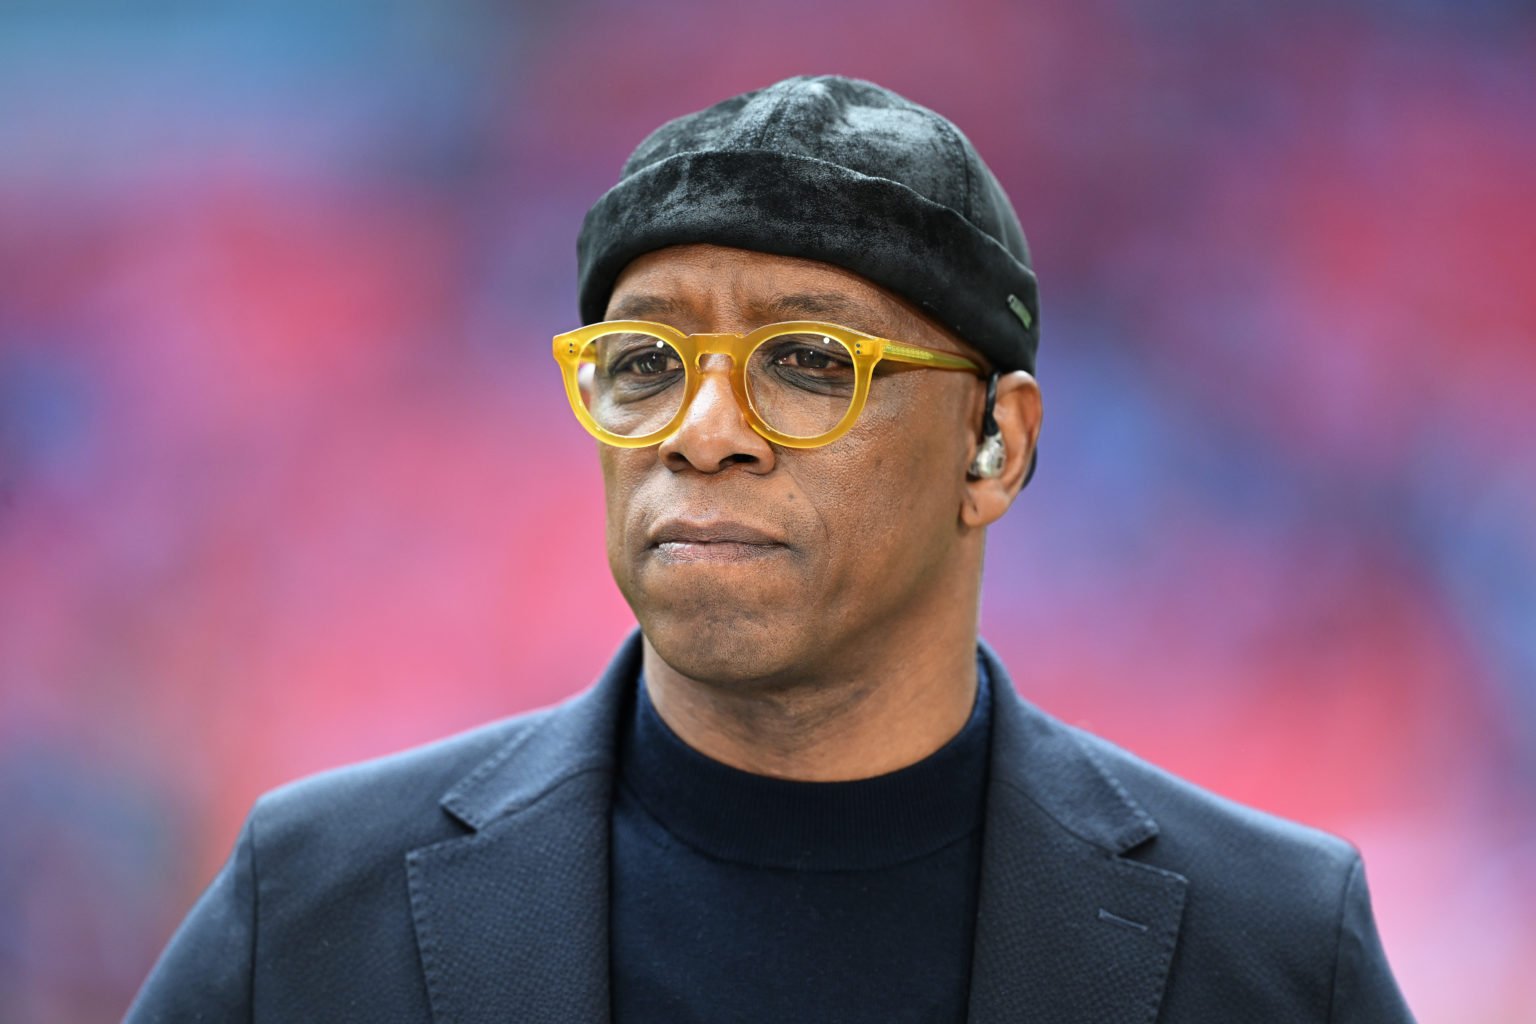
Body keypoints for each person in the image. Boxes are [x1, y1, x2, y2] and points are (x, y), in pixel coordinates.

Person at [126, 74, 1415, 1023]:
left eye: (808, 362)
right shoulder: (307, 907)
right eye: (646, 362)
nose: (702, 434)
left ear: (995, 448)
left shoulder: (1276, 948)